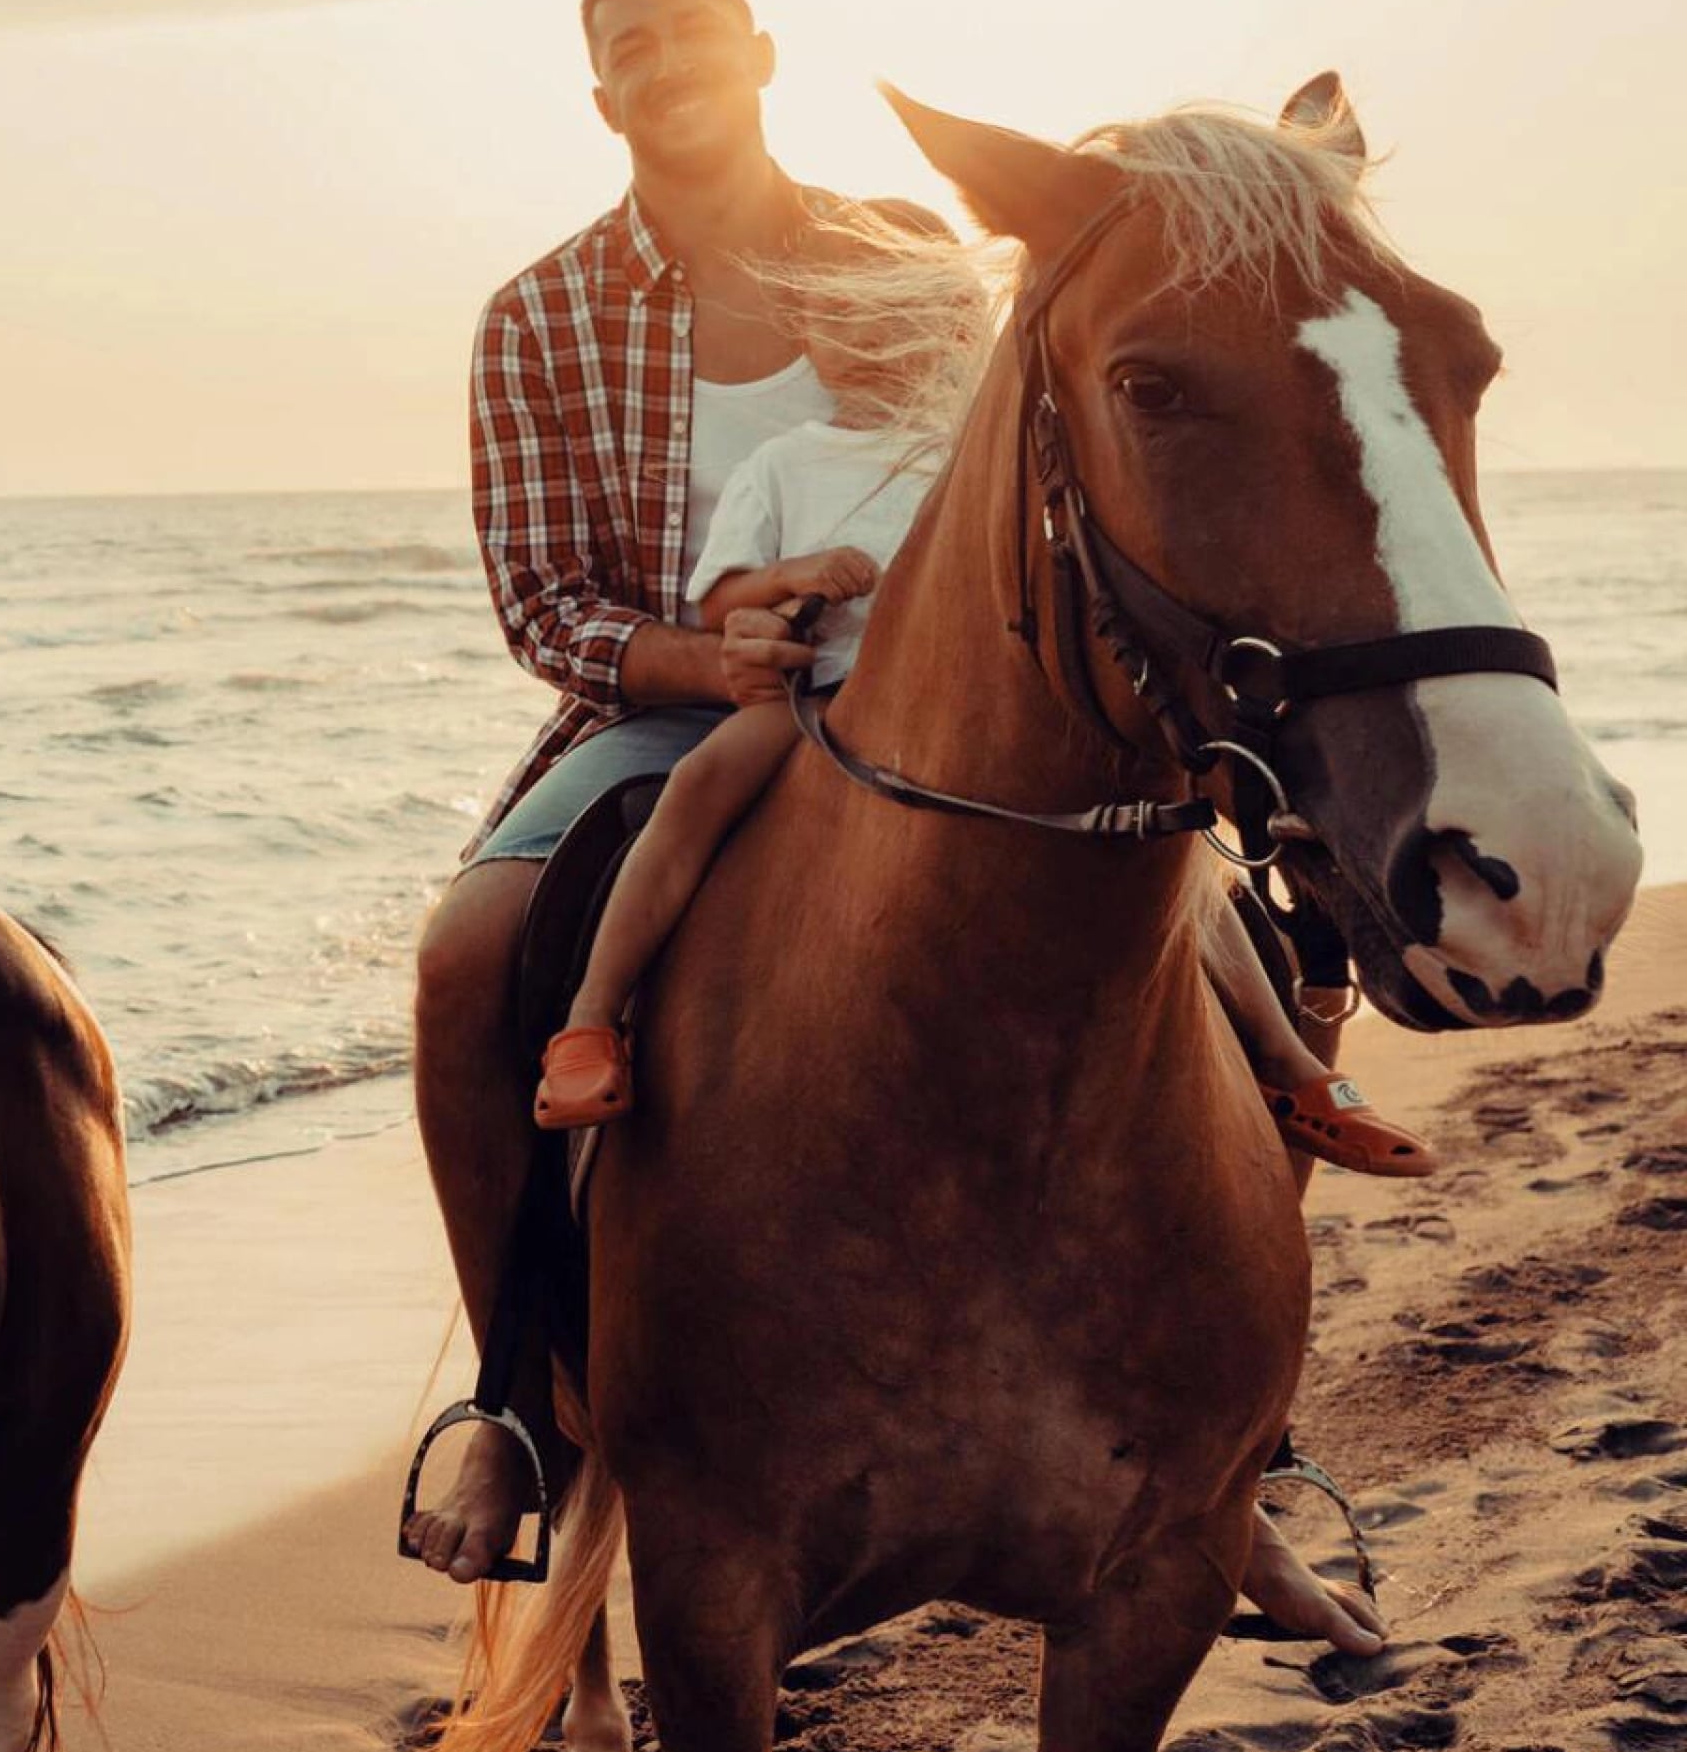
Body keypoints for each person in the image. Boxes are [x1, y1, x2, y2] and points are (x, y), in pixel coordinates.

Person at [401, 0, 1390, 1655]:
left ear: (760, 50)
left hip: (967, 691)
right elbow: (544, 599)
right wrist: (719, 657)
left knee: (1230, 900)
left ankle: (1238, 1447)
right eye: (625, 47)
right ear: (596, 90)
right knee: (471, 948)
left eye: (690, 34)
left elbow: (1036, 468)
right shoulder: (541, 311)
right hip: (685, 707)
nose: (662, 63)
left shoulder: (916, 255)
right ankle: (519, 1406)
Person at [524, 221, 1434, 1178]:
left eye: (893, 320)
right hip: (820, 693)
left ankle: (1290, 1065)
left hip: (962, 702)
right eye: (840, 322)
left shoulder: (969, 451)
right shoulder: (786, 463)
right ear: (809, 335)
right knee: (695, 792)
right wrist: (796, 575)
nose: (866, 342)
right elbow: (720, 596)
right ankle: (591, 1018)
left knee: (1166, 853)